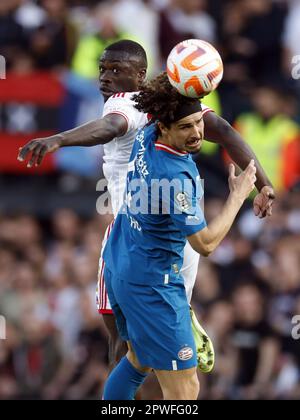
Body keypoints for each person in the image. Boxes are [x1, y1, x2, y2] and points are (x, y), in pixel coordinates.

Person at [17, 40, 275, 371]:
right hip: (178, 234)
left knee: (123, 346)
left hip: (136, 236)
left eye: (115, 70)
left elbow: (110, 127)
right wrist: (264, 184)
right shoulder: (173, 103)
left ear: (140, 76)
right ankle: (179, 318)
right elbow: (224, 131)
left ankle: (166, 331)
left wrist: (58, 139)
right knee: (151, 359)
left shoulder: (124, 103)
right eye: (102, 70)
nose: (104, 78)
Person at [101, 72, 257, 400]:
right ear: (165, 127)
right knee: (185, 392)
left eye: (198, 123)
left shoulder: (146, 135)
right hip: (154, 286)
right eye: (185, 127)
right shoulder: (174, 178)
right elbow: (206, 243)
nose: (197, 133)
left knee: (139, 360)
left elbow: (171, 103)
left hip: (125, 262)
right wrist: (238, 195)